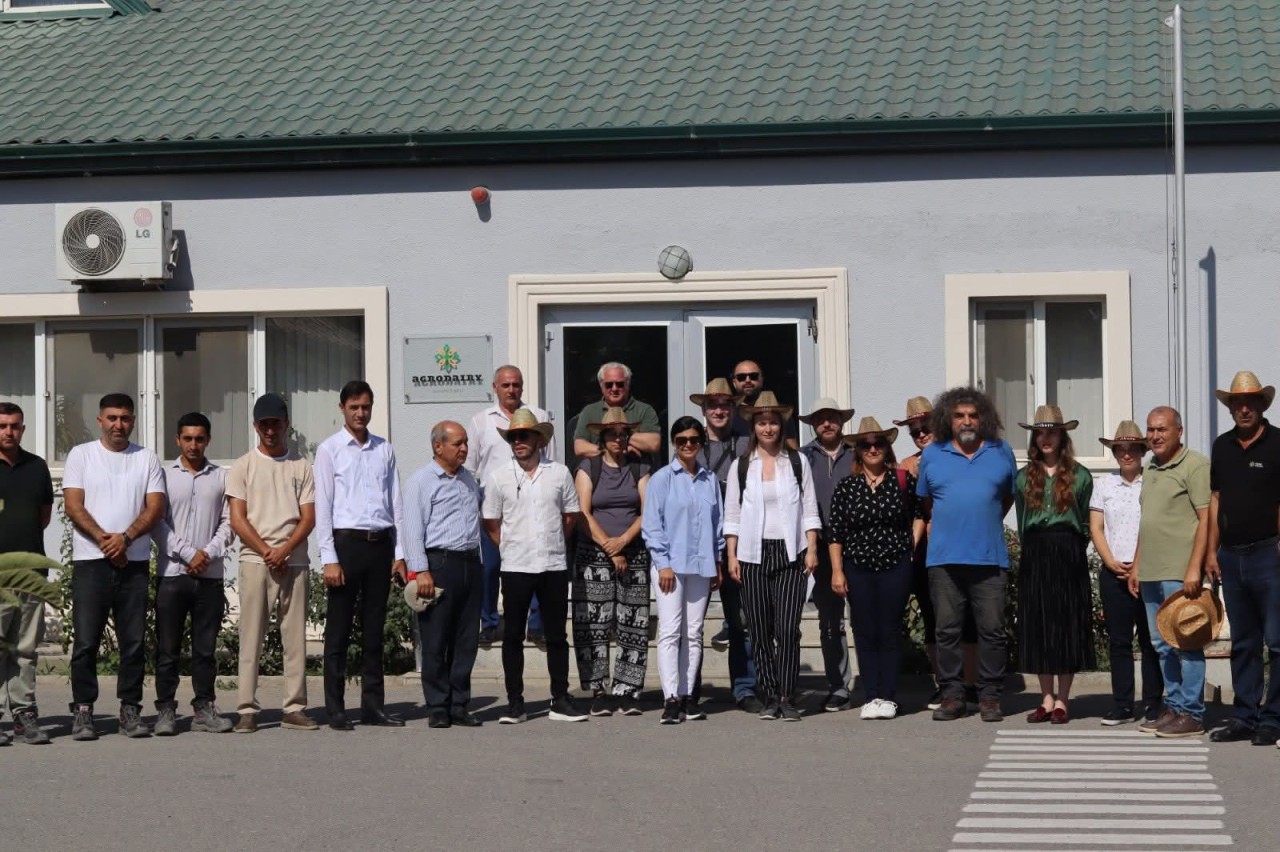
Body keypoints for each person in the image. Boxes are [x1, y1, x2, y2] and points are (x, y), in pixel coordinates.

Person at [62, 393, 166, 741]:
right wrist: (108, 543)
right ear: (100, 420)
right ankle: (83, 712)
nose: (118, 424)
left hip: (133, 564)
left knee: (133, 642)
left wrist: (125, 538)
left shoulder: (146, 458)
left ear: (133, 420)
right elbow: (74, 506)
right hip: (91, 563)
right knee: (86, 642)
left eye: (124, 418)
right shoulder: (82, 455)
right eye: (112, 418)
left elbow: (155, 508)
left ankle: (130, 711)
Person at [916, 386, 1017, 723]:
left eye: (973, 415)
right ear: (948, 419)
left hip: (989, 559)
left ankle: (989, 696)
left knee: (992, 631)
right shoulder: (933, 454)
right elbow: (928, 503)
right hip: (944, 559)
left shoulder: (1001, 451)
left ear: (983, 418)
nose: (967, 421)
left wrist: (982, 519)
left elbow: (1006, 498)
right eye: (959, 415)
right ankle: (952, 696)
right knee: (947, 631)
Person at [314, 380, 408, 731]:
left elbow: (395, 503)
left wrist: (399, 553)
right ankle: (335, 708)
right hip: (346, 545)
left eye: (366, 407)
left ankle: (373, 706)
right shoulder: (330, 450)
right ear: (342, 408)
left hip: (379, 544)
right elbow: (323, 507)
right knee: (338, 631)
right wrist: (329, 558)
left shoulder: (384, 449)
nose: (360, 413)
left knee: (373, 631)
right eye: (354, 407)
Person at [482, 409, 584, 724]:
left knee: (556, 635)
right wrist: (513, 545)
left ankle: (561, 698)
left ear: (539, 439)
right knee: (513, 635)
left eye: (524, 435)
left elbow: (570, 516)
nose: (518, 442)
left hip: (552, 564)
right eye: (513, 437)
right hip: (516, 566)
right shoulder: (498, 477)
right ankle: (515, 703)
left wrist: (550, 541)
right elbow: (491, 523)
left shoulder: (560, 473)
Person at [725, 391, 821, 722]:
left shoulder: (796, 461)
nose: (768, 428)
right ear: (754, 426)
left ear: (781, 426)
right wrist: (732, 555)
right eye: (762, 423)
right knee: (760, 629)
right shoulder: (742, 465)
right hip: (753, 553)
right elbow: (733, 513)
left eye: (773, 423)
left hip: (790, 551)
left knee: (787, 627)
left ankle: (787, 694)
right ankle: (769, 695)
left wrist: (812, 547)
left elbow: (809, 506)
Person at [227, 393, 318, 734]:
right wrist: (268, 550)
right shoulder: (243, 466)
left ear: (286, 425)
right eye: (264, 425)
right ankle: (247, 708)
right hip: (255, 560)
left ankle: (294, 707)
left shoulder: (301, 466)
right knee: (251, 637)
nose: (270, 431)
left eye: (275, 424)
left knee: (294, 639)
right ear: (255, 426)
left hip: (293, 561)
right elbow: (238, 518)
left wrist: (284, 551)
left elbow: (308, 518)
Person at [828, 417, 924, 720]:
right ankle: (871, 695)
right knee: (865, 630)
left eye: (878, 443)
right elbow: (836, 533)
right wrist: (837, 571)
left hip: (895, 565)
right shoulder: (847, 487)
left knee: (890, 630)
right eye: (866, 444)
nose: (872, 449)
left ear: (887, 447)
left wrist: (911, 547)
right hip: (857, 567)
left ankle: (889, 696)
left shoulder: (902, 480)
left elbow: (920, 514)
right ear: (858, 450)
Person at [1206, 372, 1280, 745]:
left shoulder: (1279, 443)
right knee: (1244, 643)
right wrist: (1210, 552)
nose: (1244, 407)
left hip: (1270, 554)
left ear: (1262, 405)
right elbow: (1216, 499)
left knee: (1278, 642)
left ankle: (1274, 719)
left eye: (1251, 401)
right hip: (1231, 558)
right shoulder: (1222, 447)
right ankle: (1245, 717)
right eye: (1238, 402)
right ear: (1231, 407)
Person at [1128, 406, 1211, 738]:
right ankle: (1175, 708)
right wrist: (1136, 564)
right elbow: (1147, 521)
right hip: (1150, 570)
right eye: (1150, 430)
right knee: (1162, 644)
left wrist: (1195, 567)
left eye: (1162, 429)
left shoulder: (1195, 465)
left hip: (1179, 571)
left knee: (1186, 643)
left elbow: (1206, 518)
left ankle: (1192, 713)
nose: (1155, 436)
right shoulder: (1150, 468)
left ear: (1179, 431)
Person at [152, 412, 235, 736]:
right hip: (173, 574)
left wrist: (208, 553)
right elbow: (157, 521)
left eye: (200, 439)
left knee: (205, 649)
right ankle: (165, 711)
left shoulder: (220, 477)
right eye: (187, 438)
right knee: (167, 649)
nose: (193, 445)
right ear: (177, 440)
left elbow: (229, 522)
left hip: (209, 576)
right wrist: (188, 553)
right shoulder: (164, 475)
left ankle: (204, 707)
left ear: (208, 440)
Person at [1014, 406, 1095, 725]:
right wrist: (1033, 551)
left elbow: (1088, 523)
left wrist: (1072, 548)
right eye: (1040, 432)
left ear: (1062, 436)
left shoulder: (1081, 475)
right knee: (1039, 625)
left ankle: (1063, 699)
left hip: (1068, 551)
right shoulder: (1023, 477)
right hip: (1036, 552)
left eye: (1052, 432)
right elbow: (1021, 521)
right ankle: (1045, 698)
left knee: (1065, 624)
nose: (1045, 438)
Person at [642, 416, 725, 724]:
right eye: (681, 441)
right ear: (674, 444)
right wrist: (662, 563)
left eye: (693, 440)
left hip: (702, 566)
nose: (688, 445)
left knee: (693, 632)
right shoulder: (662, 479)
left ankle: (689, 695)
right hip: (671, 568)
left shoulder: (710, 480)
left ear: (701, 443)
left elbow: (717, 524)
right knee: (670, 631)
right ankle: (671, 698)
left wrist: (717, 560)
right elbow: (652, 526)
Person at [896, 394, 975, 709]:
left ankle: (968, 683)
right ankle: (943, 683)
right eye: (914, 431)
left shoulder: (958, 454)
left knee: (964, 613)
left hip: (958, 541)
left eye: (924, 426)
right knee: (933, 616)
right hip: (925, 547)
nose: (920, 434)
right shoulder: (906, 465)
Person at [403, 421, 484, 729]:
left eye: (465, 443)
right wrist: (420, 570)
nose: (464, 448)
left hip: (469, 563)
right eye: (457, 443)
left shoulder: (468, 480)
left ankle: (460, 704)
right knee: (436, 639)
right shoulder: (422, 481)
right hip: (439, 565)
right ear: (438, 446)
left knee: (466, 639)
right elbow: (413, 529)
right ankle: (438, 705)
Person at [464, 365, 553, 645]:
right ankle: (490, 622)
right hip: (493, 507)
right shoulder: (481, 422)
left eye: (516, 384)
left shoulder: (539, 417)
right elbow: (470, 468)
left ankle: (536, 624)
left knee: (535, 564)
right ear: (495, 388)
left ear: (522, 387)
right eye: (506, 385)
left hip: (532, 503)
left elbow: (551, 461)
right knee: (490, 568)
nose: (512, 390)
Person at [573, 407, 651, 716]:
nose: (619, 439)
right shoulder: (587, 468)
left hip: (633, 550)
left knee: (634, 622)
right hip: (593, 553)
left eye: (624, 433)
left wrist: (623, 542)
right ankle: (598, 690)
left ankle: (627, 689)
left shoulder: (640, 467)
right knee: (593, 624)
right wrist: (609, 546)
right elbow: (583, 512)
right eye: (612, 434)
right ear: (602, 437)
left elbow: (648, 510)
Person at [691, 378, 760, 713]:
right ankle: (688, 688)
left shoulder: (749, 444)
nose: (719, 410)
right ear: (703, 410)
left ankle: (745, 688)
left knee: (741, 620)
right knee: (692, 622)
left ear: (734, 408)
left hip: (738, 543)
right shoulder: (690, 443)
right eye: (712, 405)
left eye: (725, 404)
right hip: (698, 546)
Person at [1090, 420, 1163, 726]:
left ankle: (1153, 703)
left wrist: (1139, 562)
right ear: (1114, 451)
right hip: (1114, 571)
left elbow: (1156, 527)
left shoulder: (1154, 483)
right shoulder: (1104, 484)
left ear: (1142, 451)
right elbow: (1096, 526)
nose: (1127, 454)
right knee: (1119, 642)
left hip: (1147, 571)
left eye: (1133, 448)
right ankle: (1122, 704)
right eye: (1121, 448)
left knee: (1150, 641)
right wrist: (1109, 561)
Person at [0, 402, 54, 745]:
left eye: (15, 426)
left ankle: (23, 714)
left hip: (31, 571)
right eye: (2, 425)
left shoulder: (37, 467)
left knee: (25, 648)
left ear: (23, 429)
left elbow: (44, 517)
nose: (8, 431)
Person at [798, 397, 856, 712]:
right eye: (821, 419)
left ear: (841, 421)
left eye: (832, 417)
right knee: (830, 622)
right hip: (820, 547)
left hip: (859, 547)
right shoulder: (803, 458)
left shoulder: (859, 454)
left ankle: (876, 684)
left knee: (863, 618)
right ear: (813, 424)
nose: (827, 423)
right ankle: (838, 687)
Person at [571, 362, 662, 461]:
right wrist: (609, 452)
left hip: (637, 471)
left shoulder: (644, 410)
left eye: (620, 384)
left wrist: (624, 435)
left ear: (628, 384)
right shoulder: (590, 411)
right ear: (601, 387)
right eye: (609, 385)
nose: (614, 389)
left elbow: (654, 444)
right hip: (599, 473)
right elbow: (579, 447)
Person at [729, 359, 799, 446]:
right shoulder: (727, 414)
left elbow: (793, 451)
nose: (747, 380)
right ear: (734, 383)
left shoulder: (780, 413)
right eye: (741, 377)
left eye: (753, 376)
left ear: (761, 380)